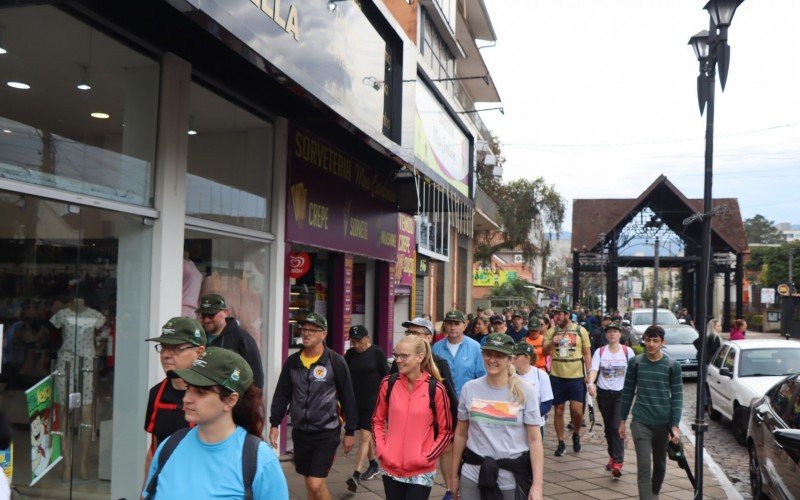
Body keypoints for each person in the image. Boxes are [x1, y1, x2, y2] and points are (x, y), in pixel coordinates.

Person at [142, 348, 288, 499]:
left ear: (230, 400)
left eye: (200, 392)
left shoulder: (260, 460)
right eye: (188, 388)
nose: (186, 398)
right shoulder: (169, 447)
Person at [269, 313, 358, 500]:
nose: (306, 334)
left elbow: (348, 397)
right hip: (301, 432)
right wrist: (275, 423)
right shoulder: (293, 362)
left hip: (327, 432)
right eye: (304, 329)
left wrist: (350, 431)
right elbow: (282, 394)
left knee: (315, 484)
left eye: (312, 330)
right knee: (309, 482)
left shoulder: (335, 361)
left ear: (323, 334)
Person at [450, 333, 544, 500]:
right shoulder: (469, 388)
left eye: (499, 355)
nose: (492, 359)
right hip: (472, 474)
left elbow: (535, 440)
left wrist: (537, 485)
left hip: (509, 478)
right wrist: (453, 475)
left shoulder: (526, 391)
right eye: (488, 354)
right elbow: (460, 433)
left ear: (510, 359)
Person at [372, 335, 454, 499]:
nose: (398, 360)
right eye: (396, 355)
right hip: (391, 466)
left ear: (420, 357)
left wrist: (427, 457)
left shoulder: (436, 389)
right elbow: (377, 421)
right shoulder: (388, 383)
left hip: (421, 470)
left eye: (404, 356)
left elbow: (447, 431)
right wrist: (382, 450)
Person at [393, 317, 459, 497]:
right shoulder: (398, 362)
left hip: (435, 425)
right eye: (409, 332)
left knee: (445, 452)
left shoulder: (439, 364)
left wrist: (455, 429)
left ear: (429, 338)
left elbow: (451, 399)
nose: (410, 336)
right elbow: (387, 396)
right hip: (407, 430)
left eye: (416, 333)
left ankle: (449, 491)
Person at [619, 325, 683, 500]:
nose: (651, 344)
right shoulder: (636, 363)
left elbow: (677, 397)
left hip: (663, 423)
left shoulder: (672, 365)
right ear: (644, 340)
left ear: (663, 342)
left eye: (655, 341)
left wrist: (675, 426)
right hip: (641, 421)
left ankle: (654, 493)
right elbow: (627, 392)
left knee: (661, 466)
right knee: (644, 465)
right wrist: (622, 420)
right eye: (648, 340)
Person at [431, 310, 485, 500]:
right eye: (449, 323)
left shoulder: (475, 347)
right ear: (444, 325)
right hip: (442, 407)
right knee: (446, 448)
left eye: (457, 323)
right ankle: (449, 489)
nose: (453, 327)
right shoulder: (436, 348)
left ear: (464, 325)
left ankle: (468, 486)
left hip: (468, 406)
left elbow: (481, 377)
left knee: (468, 447)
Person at [143, 317, 207, 474]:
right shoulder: (157, 393)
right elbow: (154, 450)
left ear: (199, 352)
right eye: (163, 347)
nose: (165, 355)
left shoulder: (213, 395)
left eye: (176, 348)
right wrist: (145, 494)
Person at [344, 325, 388, 492]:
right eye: (352, 342)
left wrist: (387, 399)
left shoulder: (377, 353)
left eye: (359, 341)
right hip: (355, 401)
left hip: (373, 400)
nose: (355, 345)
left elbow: (386, 376)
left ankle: (355, 474)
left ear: (367, 338)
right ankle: (373, 464)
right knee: (365, 434)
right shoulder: (349, 355)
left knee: (364, 435)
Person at [587, 321, 635, 477]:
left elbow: (634, 373)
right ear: (606, 335)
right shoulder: (600, 352)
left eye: (615, 331)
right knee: (608, 428)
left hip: (621, 394)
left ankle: (618, 462)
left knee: (616, 426)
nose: (612, 334)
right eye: (609, 332)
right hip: (604, 393)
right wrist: (591, 383)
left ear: (620, 334)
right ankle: (613, 456)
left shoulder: (628, 352)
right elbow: (594, 370)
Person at [542, 306, 591, 456]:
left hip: (576, 375)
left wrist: (589, 374)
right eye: (555, 315)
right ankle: (561, 442)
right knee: (559, 410)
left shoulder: (580, 331)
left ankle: (576, 433)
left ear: (567, 315)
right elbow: (544, 352)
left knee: (577, 411)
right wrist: (552, 342)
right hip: (557, 375)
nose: (557, 317)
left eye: (560, 314)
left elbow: (587, 353)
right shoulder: (551, 331)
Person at [196, 293, 264, 388]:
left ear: (225, 312)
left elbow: (256, 372)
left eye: (211, 315)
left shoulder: (241, 337)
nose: (206, 320)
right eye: (203, 315)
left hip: (230, 397)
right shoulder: (197, 336)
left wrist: (252, 399)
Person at [512, 342, 554, 437]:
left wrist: (527, 417)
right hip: (513, 425)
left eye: (517, 356)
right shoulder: (508, 375)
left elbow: (547, 404)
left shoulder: (541, 375)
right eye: (512, 355)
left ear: (527, 358)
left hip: (535, 424)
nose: (512, 359)